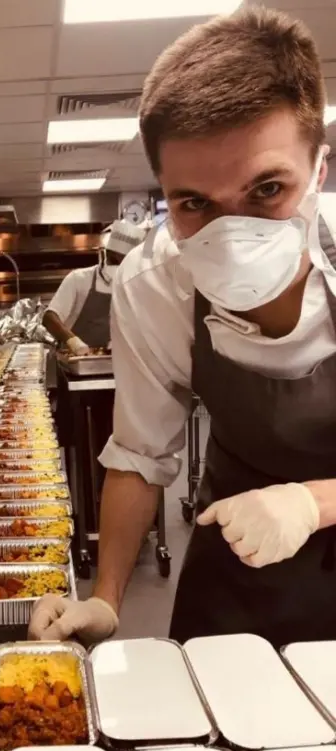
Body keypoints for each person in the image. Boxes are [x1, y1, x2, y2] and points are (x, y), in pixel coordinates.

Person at [29, 5, 336, 648]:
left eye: (267, 189)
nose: (232, 233)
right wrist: (106, 600)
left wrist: (315, 503)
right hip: (240, 545)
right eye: (194, 202)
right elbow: (141, 456)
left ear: (320, 171)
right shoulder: (153, 285)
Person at [42, 219, 146, 353]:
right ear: (106, 254)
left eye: (126, 262)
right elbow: (49, 317)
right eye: (115, 261)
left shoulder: (137, 284)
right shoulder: (79, 279)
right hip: (75, 363)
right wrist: (73, 342)